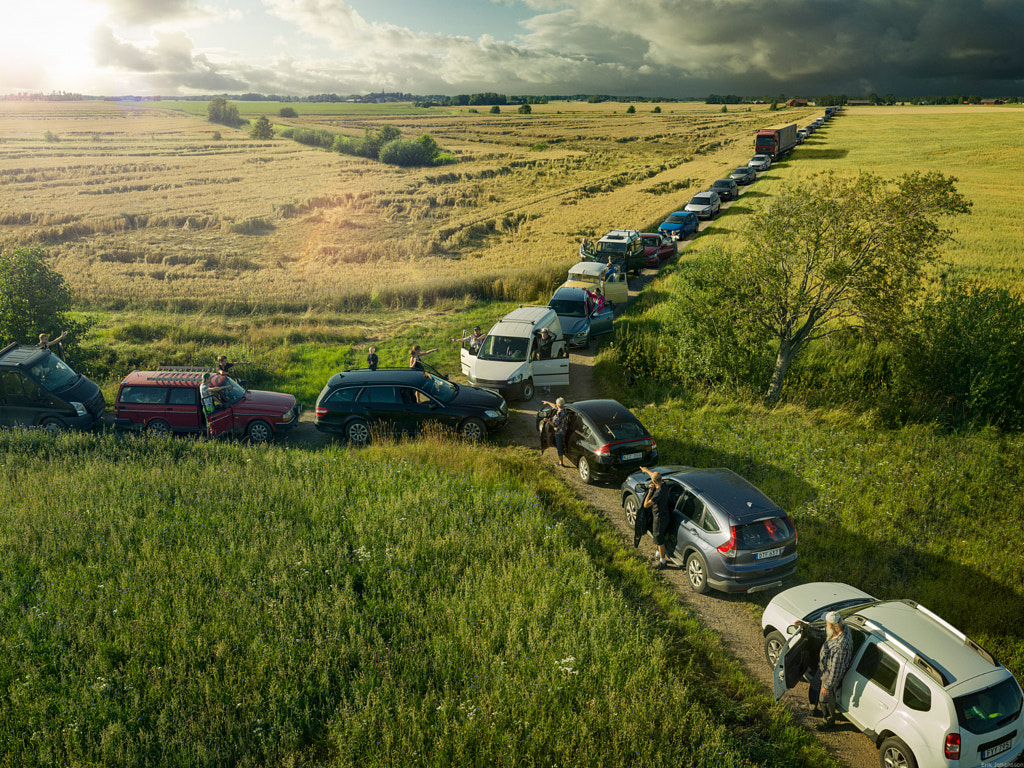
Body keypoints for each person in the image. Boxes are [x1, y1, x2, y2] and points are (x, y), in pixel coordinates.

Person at [805, 611, 854, 731]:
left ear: (831, 625)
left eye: (826, 623)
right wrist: (806, 627)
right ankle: (813, 708)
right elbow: (822, 632)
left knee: (825, 698)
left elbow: (836, 671)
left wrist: (827, 686)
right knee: (815, 686)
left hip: (829, 674)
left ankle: (828, 720)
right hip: (824, 667)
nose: (826, 625)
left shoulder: (840, 647)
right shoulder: (842, 627)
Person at [640, 467, 670, 569]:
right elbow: (654, 476)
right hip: (666, 515)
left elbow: (646, 505)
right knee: (661, 535)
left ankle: (663, 561)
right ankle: (658, 553)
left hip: (659, 518)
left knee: (659, 539)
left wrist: (650, 491)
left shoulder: (658, 493)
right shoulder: (664, 485)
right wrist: (646, 470)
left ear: (653, 482)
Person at [542, 397, 570, 467]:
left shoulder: (558, 415)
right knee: (563, 444)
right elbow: (554, 406)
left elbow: (555, 425)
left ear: (558, 405)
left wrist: (547, 420)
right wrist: (548, 402)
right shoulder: (564, 410)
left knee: (559, 447)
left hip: (559, 433)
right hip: (565, 430)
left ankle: (561, 463)